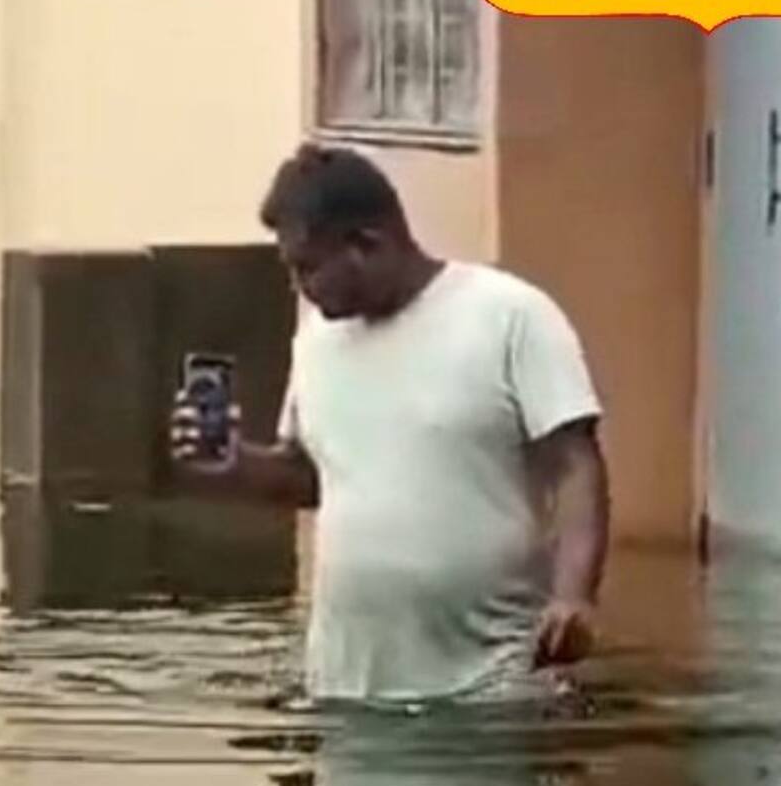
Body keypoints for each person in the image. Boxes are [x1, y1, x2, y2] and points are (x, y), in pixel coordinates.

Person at [173, 143, 609, 706]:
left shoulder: (509, 316)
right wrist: (234, 463)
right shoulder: (316, 342)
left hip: (491, 688)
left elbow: (575, 464)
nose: (299, 287)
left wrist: (574, 596)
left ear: (368, 244)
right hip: (347, 689)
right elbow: (311, 475)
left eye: (308, 267)